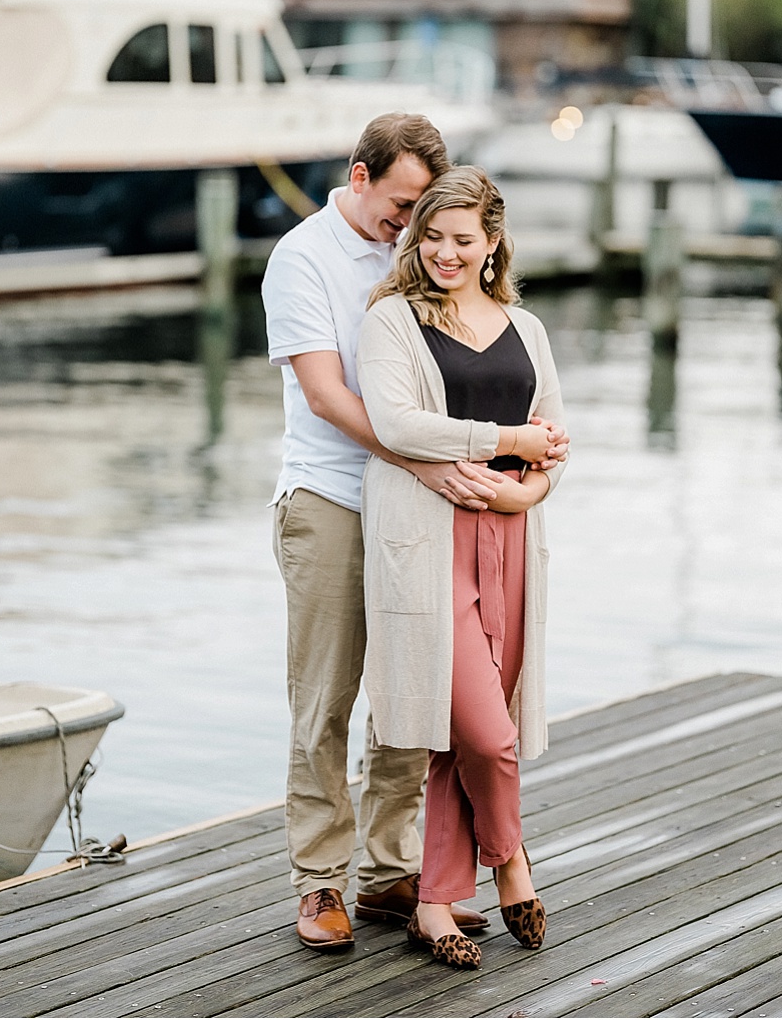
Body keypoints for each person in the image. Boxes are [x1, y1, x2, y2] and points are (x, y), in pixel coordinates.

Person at [262, 115, 566, 951]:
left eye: (427, 214)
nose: (412, 226)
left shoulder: (430, 265)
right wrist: (431, 460)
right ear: (359, 179)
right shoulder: (304, 257)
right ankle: (320, 880)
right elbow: (327, 396)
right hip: (331, 496)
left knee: (418, 693)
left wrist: (513, 475)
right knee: (325, 697)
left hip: (426, 510)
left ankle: (392, 870)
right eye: (403, 207)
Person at [357, 166, 567, 971]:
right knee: (487, 726)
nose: (444, 252)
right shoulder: (393, 320)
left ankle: (438, 898)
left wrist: (532, 488)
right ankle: (511, 860)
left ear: (491, 243)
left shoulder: (525, 324)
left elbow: (553, 433)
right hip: (425, 536)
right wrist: (505, 443)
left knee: (462, 736)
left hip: (509, 536)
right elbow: (397, 423)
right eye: (431, 236)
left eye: (462, 239)